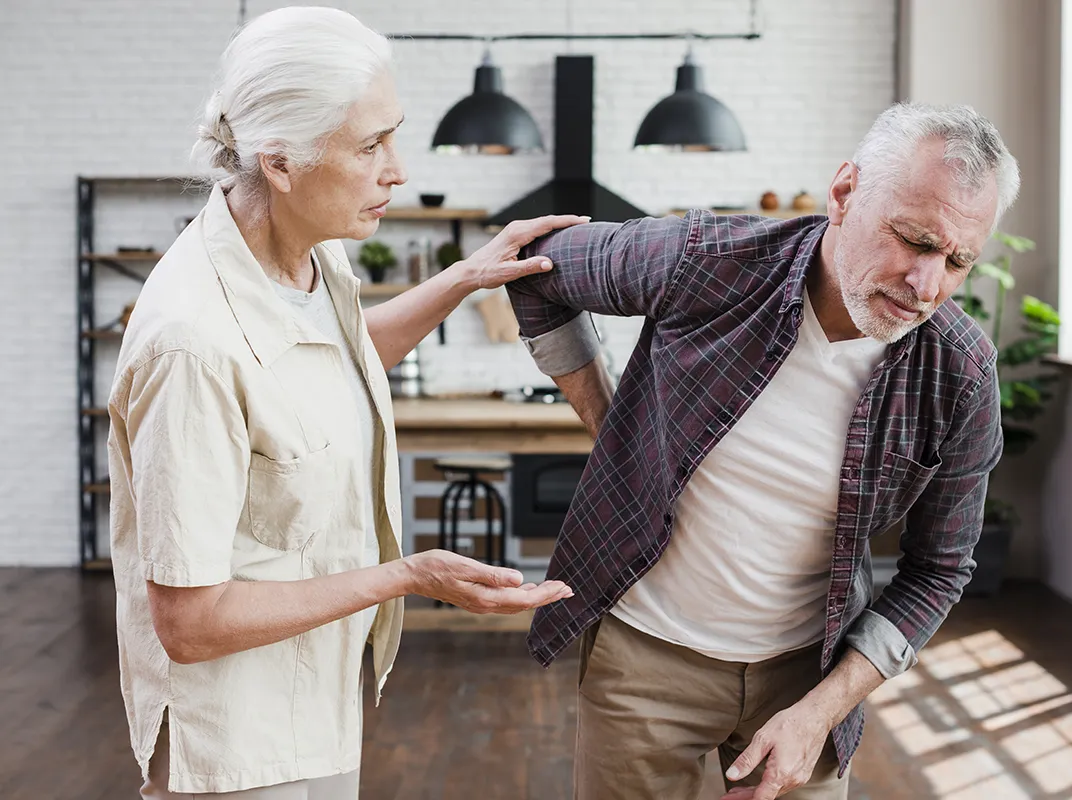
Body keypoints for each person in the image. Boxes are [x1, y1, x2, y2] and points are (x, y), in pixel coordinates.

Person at [107, 7, 581, 798]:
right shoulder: (191, 342)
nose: (396, 168)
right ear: (282, 162)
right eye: (370, 146)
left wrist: (464, 278)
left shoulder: (304, 259)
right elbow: (188, 625)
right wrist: (404, 576)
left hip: (311, 706)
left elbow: (337, 356)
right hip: (234, 748)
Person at [505, 102, 1020, 800]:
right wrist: (610, 424)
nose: (927, 285)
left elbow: (940, 569)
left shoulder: (961, 371)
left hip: (806, 677)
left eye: (958, 260)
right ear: (844, 194)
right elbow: (536, 268)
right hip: (645, 660)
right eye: (914, 240)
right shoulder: (707, 261)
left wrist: (820, 712)